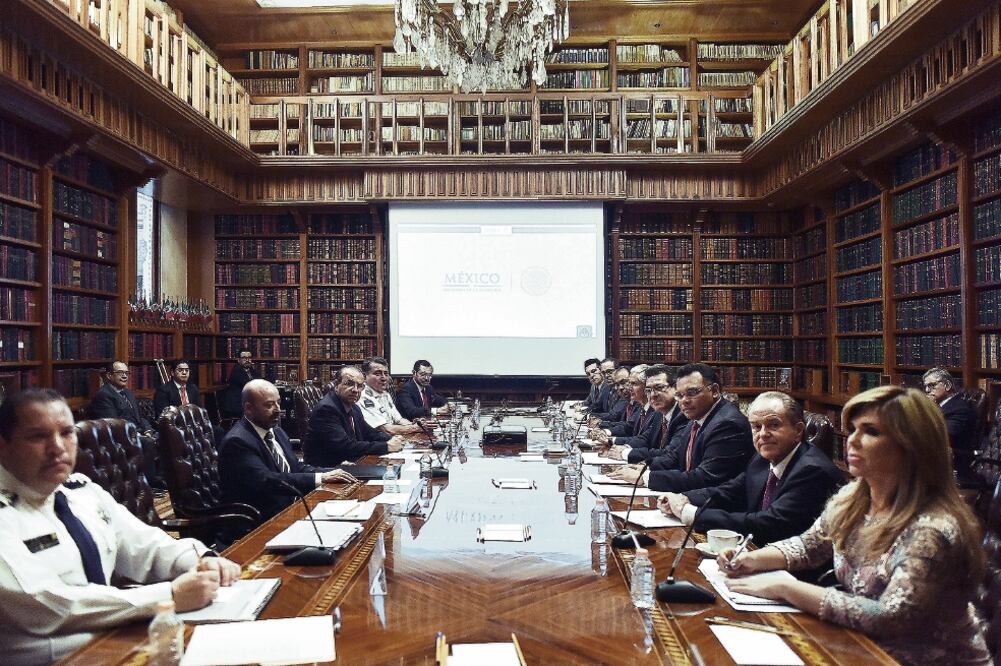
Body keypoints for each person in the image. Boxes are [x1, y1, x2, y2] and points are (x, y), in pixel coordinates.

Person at [718, 386, 990, 666]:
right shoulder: (852, 498)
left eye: (871, 432)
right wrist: (752, 559)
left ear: (913, 445)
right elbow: (808, 547)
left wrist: (785, 588)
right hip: (861, 648)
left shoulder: (932, 528)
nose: (852, 440)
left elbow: (890, 617)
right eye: (854, 429)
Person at [0, 388, 241, 665]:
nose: (57, 447)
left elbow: (146, 545)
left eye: (66, 433)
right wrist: (169, 596)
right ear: (3, 445)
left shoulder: (81, 492)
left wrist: (200, 560)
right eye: (37, 436)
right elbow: (49, 605)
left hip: (119, 644)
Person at [659, 391, 842, 546]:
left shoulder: (812, 470)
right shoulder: (762, 458)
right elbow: (729, 492)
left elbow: (767, 525)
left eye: (774, 425)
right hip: (758, 554)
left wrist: (691, 513)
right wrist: (682, 498)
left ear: (798, 431)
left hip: (797, 573)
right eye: (756, 427)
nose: (763, 434)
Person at [218, 379, 356, 522]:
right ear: (248, 408)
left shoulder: (276, 431)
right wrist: (320, 479)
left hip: (291, 508)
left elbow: (295, 467)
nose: (277, 409)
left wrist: (329, 472)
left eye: (278, 402)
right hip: (258, 521)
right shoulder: (238, 441)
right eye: (269, 405)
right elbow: (267, 480)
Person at [304, 366, 405, 466]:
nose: (355, 390)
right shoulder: (327, 409)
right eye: (349, 384)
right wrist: (386, 446)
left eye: (360, 385)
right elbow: (345, 446)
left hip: (350, 463)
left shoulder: (354, 407)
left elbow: (369, 433)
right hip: (328, 470)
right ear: (336, 385)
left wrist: (392, 438)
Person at [87, 360, 161, 488]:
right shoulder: (103, 395)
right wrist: (138, 434)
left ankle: (162, 477)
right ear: (109, 376)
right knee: (147, 443)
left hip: (137, 432)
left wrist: (148, 430)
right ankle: (149, 484)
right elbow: (114, 425)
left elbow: (140, 417)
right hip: (120, 438)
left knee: (165, 436)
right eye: (120, 373)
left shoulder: (128, 393)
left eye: (126, 373)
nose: (125, 376)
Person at [605, 364, 688, 465]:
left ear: (676, 388)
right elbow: (645, 438)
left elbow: (670, 454)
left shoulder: (684, 415)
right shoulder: (659, 413)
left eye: (659, 387)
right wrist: (620, 446)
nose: (653, 395)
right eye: (648, 390)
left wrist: (626, 453)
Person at [922, 367, 979, 485]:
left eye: (931, 385)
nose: (927, 390)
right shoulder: (938, 407)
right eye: (926, 386)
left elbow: (943, 436)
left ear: (947, 385)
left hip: (956, 465)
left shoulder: (959, 409)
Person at [358, 357, 423, 437]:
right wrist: (414, 428)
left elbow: (399, 420)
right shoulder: (362, 396)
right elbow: (385, 429)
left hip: (393, 438)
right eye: (378, 374)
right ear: (364, 376)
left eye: (386, 374)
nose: (384, 378)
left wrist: (417, 424)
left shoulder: (385, 394)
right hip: (377, 442)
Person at [222, 349, 258, 419]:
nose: (247, 360)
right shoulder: (237, 370)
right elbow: (249, 385)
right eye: (244, 358)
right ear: (239, 360)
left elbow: (260, 380)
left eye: (249, 357)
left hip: (247, 401)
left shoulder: (251, 370)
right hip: (237, 404)